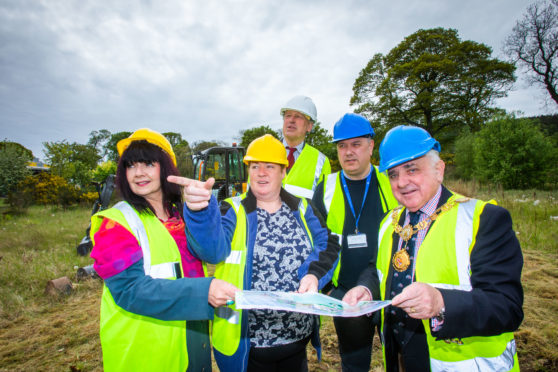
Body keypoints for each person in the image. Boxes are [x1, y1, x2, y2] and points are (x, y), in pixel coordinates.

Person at [344, 125, 524, 372]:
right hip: (400, 357)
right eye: (393, 174)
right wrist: (366, 288)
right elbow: (377, 269)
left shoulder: (483, 219)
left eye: (412, 169)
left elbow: (507, 307)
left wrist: (441, 303)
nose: (402, 182)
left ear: (439, 170)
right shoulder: (389, 221)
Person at [171, 134, 341, 372]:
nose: (261, 172)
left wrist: (313, 275)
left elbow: (328, 243)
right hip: (246, 345)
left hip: (296, 338)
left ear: (283, 172)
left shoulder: (303, 207)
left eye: (270, 166)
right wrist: (199, 212)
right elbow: (211, 251)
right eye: (254, 166)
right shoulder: (231, 209)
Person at [89, 128, 238, 372]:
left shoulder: (181, 215)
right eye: (130, 165)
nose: (138, 173)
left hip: (193, 336)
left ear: (166, 168)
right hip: (147, 351)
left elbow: (214, 254)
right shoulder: (114, 223)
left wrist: (201, 211)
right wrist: (204, 291)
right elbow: (130, 290)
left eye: (148, 163)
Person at [312, 113, 398, 371]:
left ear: (371, 146)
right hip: (346, 294)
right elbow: (318, 243)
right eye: (342, 146)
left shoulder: (392, 182)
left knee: (398, 359)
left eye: (356, 144)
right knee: (353, 362)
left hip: (391, 293)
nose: (348, 152)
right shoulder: (326, 187)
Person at [280, 95, 331, 199]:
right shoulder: (263, 152)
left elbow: (323, 205)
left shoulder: (321, 162)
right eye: (288, 115)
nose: (291, 120)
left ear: (309, 126)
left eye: (298, 116)